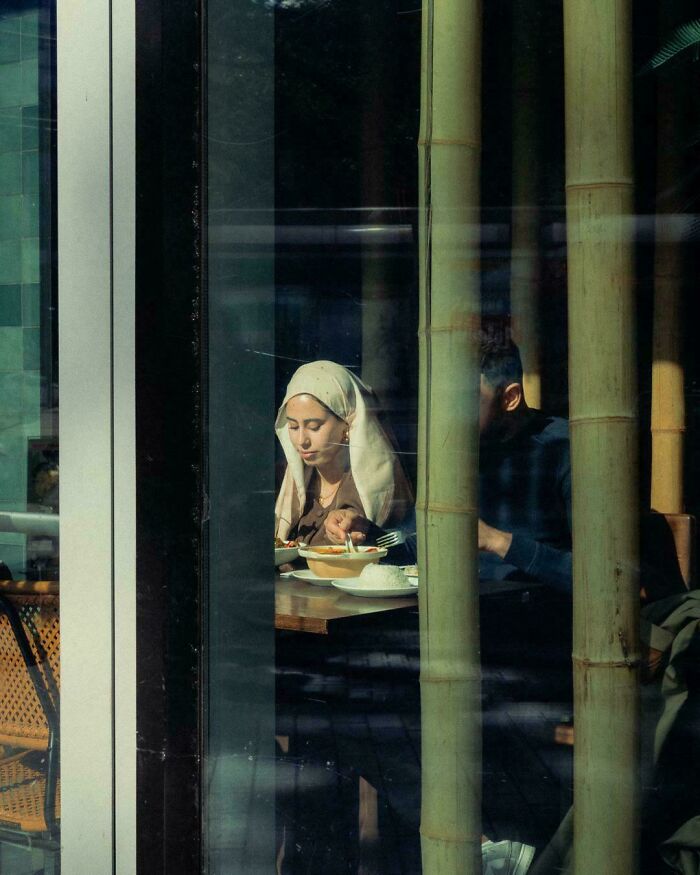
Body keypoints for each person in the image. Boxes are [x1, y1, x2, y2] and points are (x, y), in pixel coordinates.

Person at [274, 360, 413, 547]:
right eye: (293, 426)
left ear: (347, 426)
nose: (301, 440)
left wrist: (364, 529)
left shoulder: (373, 489)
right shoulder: (282, 481)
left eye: (314, 427)